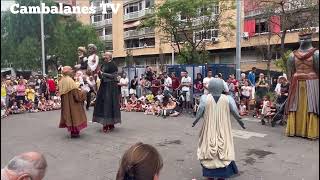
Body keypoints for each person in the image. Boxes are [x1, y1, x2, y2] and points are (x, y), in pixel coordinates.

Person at [192, 78, 245, 180]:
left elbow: (199, 112)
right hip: (223, 128)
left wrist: (195, 122)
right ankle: (222, 176)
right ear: (222, 87)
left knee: (207, 148)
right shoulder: (229, 98)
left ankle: (209, 176)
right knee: (224, 148)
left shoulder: (204, 98)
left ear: (210, 87)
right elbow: (235, 113)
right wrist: (241, 123)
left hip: (209, 128)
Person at [286, 29, 319, 139]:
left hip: (310, 82)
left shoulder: (316, 54)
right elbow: (290, 72)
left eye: (306, 38)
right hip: (303, 82)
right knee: (298, 105)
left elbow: (290, 73)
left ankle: (299, 130)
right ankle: (306, 131)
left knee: (311, 105)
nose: (304, 40)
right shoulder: (292, 56)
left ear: (310, 39)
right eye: (301, 38)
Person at [93, 52, 121, 133]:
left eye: (105, 55)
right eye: (104, 55)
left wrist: (103, 73)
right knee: (103, 103)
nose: (104, 56)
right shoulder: (103, 65)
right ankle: (105, 123)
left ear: (109, 57)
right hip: (103, 86)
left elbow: (114, 76)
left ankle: (110, 123)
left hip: (111, 86)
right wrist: (98, 73)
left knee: (110, 103)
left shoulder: (113, 65)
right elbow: (101, 76)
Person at [59, 66, 87, 138]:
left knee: (69, 116)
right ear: (68, 71)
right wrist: (83, 92)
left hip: (66, 103)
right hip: (73, 103)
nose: (72, 71)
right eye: (71, 70)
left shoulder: (62, 80)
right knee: (75, 116)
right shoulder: (70, 81)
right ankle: (75, 132)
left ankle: (72, 131)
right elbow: (76, 95)